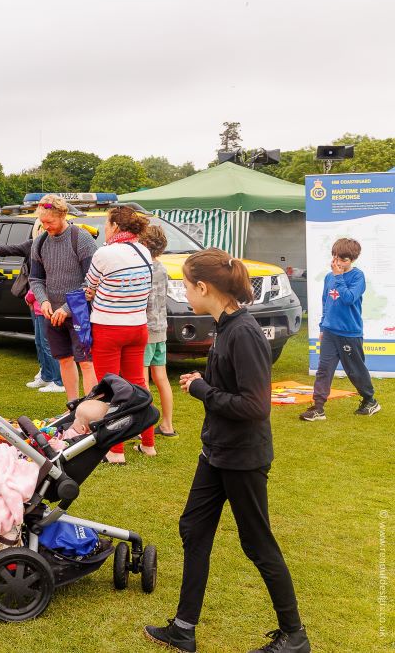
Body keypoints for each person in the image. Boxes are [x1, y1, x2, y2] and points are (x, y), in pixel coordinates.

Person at [144, 248, 311, 653]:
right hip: (216, 451)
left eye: (185, 285)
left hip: (242, 457)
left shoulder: (244, 332)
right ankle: (184, 629)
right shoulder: (225, 325)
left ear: (203, 288)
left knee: (257, 543)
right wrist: (207, 382)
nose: (184, 291)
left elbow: (255, 406)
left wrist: (203, 390)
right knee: (193, 528)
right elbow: (232, 388)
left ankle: (294, 636)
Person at [83, 205, 153, 465]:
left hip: (109, 327)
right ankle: (148, 443)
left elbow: (89, 288)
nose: (104, 227)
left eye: (106, 222)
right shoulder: (144, 250)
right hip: (138, 325)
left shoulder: (104, 253)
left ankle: (115, 450)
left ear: (115, 225)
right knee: (138, 383)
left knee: (109, 389)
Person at [0, 219, 64, 393]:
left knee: (47, 342)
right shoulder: (31, 245)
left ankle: (58, 381)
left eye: (44, 225)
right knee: (39, 341)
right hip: (34, 301)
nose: (41, 229)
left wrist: (33, 294)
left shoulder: (54, 247)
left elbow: (49, 277)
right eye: (39, 226)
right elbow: (10, 249)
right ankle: (46, 376)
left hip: (46, 302)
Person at [300, 237, 380, 421]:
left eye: (343, 259)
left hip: (350, 333)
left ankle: (370, 400)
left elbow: (348, 298)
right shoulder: (329, 277)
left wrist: (339, 277)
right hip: (329, 331)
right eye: (335, 257)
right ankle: (318, 408)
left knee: (355, 370)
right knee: (323, 369)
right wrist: (322, 326)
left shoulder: (357, 277)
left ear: (352, 260)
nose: (338, 262)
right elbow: (326, 302)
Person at [28, 194, 99, 401]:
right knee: (64, 360)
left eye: (49, 222)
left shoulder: (81, 239)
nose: (46, 227)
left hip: (80, 313)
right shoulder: (39, 242)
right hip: (52, 313)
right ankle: (72, 406)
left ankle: (90, 409)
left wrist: (66, 309)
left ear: (63, 215)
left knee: (86, 362)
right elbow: (35, 278)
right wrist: (44, 301)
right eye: (42, 222)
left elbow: (91, 283)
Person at [140, 225, 177, 439]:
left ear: (144, 245)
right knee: (161, 377)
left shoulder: (144, 269)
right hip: (160, 329)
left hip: (145, 329)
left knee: (142, 379)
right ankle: (167, 424)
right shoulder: (162, 268)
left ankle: (144, 425)